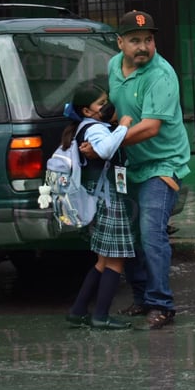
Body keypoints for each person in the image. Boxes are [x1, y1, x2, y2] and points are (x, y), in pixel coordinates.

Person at [104, 10, 191, 330]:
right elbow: (113, 109)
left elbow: (152, 127)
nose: (143, 47)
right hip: (129, 163)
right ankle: (141, 298)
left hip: (163, 162)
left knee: (151, 232)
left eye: (149, 40)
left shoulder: (162, 75)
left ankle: (162, 305)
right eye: (135, 40)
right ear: (120, 43)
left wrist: (109, 144)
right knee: (130, 235)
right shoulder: (113, 66)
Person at [64, 83, 135, 330]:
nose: (107, 107)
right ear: (87, 111)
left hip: (98, 199)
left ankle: (78, 311)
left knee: (102, 261)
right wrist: (124, 125)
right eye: (101, 104)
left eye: (106, 101)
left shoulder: (90, 126)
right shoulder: (95, 128)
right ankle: (101, 316)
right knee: (115, 261)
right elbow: (105, 149)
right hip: (109, 200)